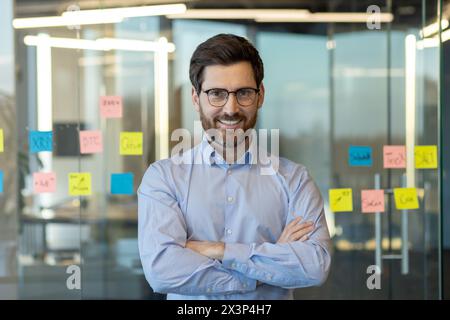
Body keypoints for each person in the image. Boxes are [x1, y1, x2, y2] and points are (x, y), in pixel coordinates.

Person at [138, 33, 331, 300]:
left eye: (243, 93)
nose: (231, 108)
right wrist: (266, 265)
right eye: (216, 94)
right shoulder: (164, 178)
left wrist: (219, 251)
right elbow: (162, 272)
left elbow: (314, 266)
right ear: (196, 98)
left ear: (260, 95)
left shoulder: (294, 179)